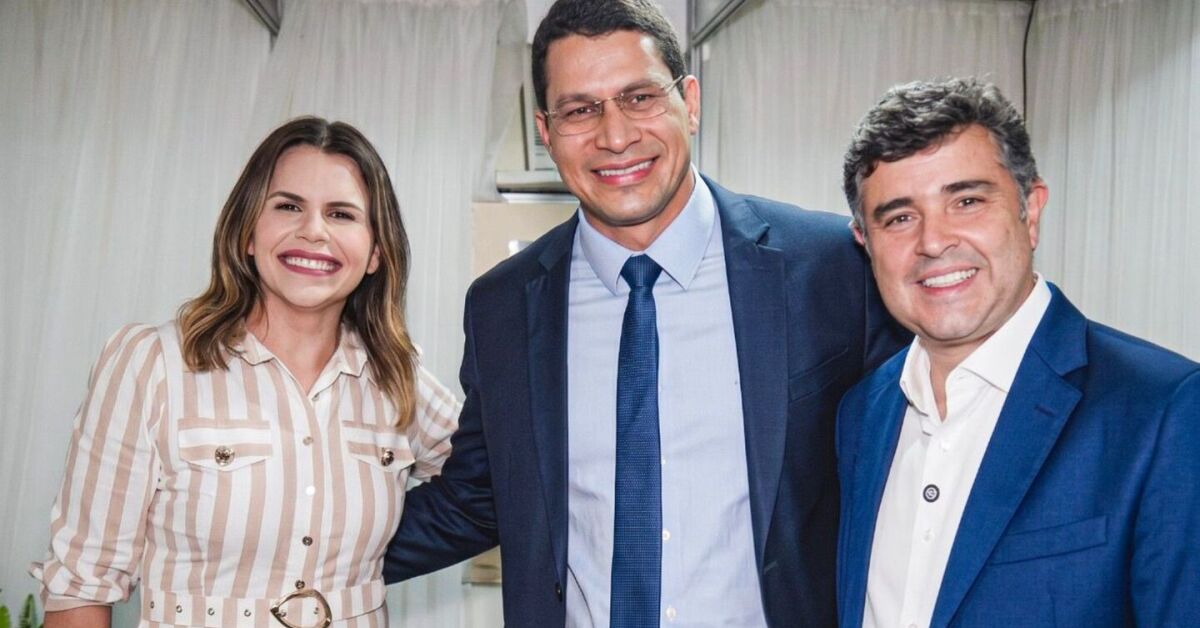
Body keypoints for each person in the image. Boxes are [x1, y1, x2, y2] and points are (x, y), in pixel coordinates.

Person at [383, 1, 908, 625]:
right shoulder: (502, 305)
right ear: (546, 130)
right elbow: (478, 498)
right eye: (580, 110)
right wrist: (304, 556)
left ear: (690, 102)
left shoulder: (832, 267)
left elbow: (912, 464)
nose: (615, 136)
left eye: (639, 97)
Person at [31, 117, 460, 628]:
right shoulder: (151, 365)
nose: (313, 231)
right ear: (248, 234)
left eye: (341, 214)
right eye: (288, 206)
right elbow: (82, 585)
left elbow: (494, 481)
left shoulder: (398, 377)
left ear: (375, 253)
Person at [835, 77, 1200, 628]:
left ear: (1030, 210)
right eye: (900, 217)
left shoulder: (1162, 411)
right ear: (865, 240)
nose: (933, 241)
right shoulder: (860, 413)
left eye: (966, 201)